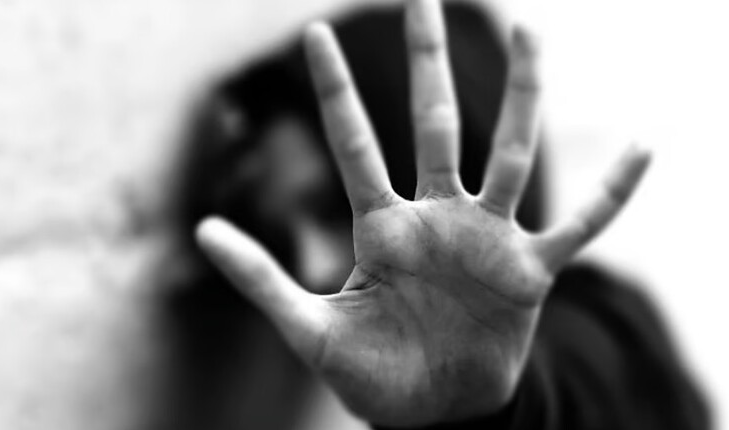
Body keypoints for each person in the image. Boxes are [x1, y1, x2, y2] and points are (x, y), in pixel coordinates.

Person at [169, 0, 710, 428]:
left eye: (333, 209)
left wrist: (489, 413)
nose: (312, 268)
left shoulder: (603, 334)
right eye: (273, 232)